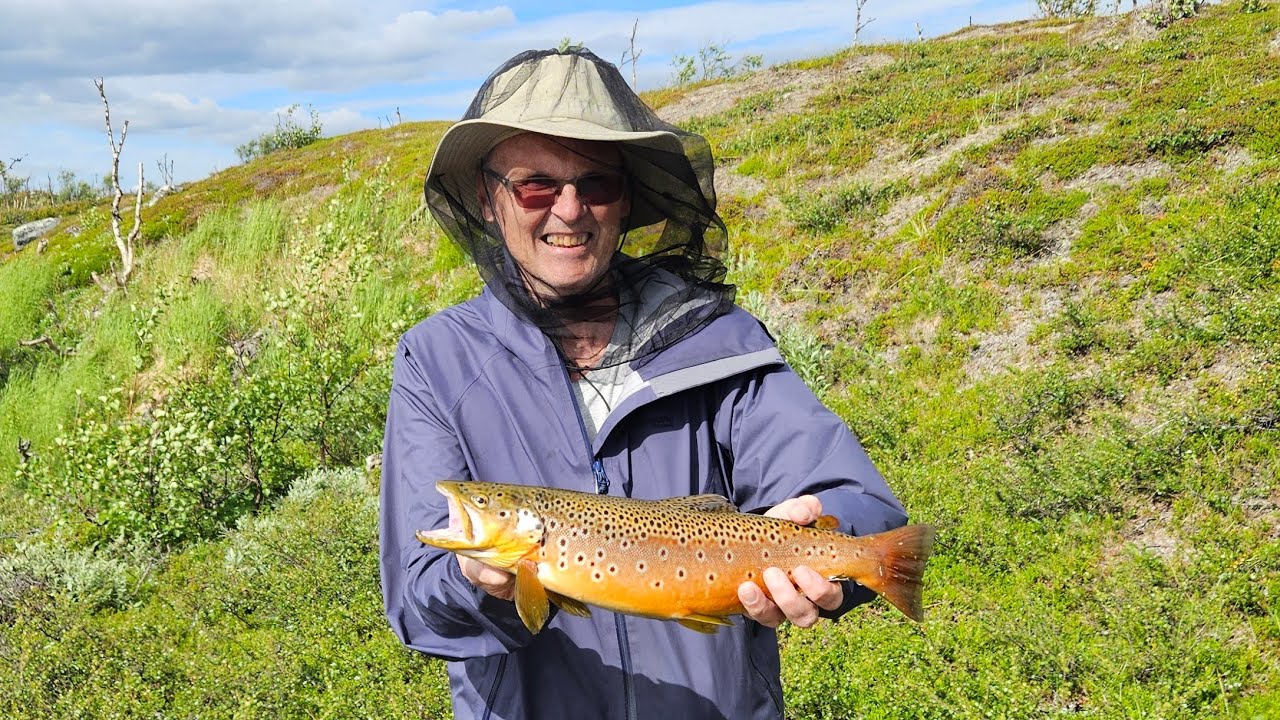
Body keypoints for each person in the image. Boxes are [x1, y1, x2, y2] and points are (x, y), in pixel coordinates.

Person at [380, 47, 909, 720]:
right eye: (536, 185)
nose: (569, 211)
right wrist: (477, 584)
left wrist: (832, 546)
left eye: (596, 184)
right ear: (488, 199)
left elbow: (861, 501)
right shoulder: (435, 361)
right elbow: (416, 601)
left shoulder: (719, 340)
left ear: (626, 198)